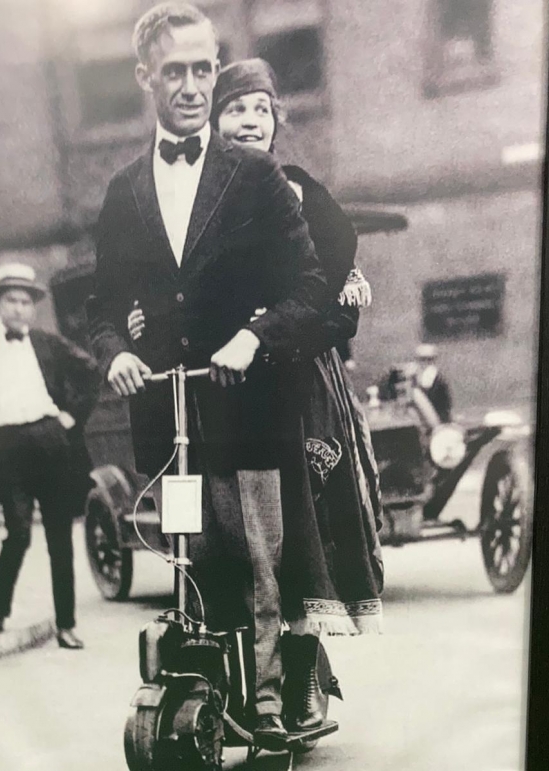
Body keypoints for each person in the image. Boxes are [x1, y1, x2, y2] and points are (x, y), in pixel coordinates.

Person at [86, 3, 329, 749]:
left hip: (247, 415)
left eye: (203, 69)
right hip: (170, 428)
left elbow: (311, 286)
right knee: (192, 560)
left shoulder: (254, 176)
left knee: (257, 557)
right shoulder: (124, 190)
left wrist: (253, 337)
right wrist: (114, 352)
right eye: (174, 72)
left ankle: (262, 704)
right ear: (144, 78)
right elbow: (101, 306)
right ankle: (201, 693)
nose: (192, 87)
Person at [129, 58, 384, 729]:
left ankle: (300, 676)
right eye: (234, 109)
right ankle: (224, 674)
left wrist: (267, 340)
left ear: (275, 123)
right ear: (212, 120)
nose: (246, 122)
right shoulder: (192, 199)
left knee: (300, 535)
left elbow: (334, 306)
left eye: (259, 110)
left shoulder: (299, 196)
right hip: (214, 391)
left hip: (297, 384)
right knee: (215, 536)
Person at [0, 263, 98, 650]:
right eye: (11, 300)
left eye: (25, 302)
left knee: (59, 537)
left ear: (33, 308)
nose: (19, 309)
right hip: (5, 446)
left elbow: (91, 371)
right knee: (16, 532)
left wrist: (71, 416)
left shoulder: (48, 342)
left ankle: (66, 624)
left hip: (50, 442)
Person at [415, 343, 452, 423]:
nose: (425, 362)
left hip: (437, 421)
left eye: (429, 359)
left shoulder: (437, 380)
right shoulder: (418, 377)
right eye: (422, 359)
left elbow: (444, 407)